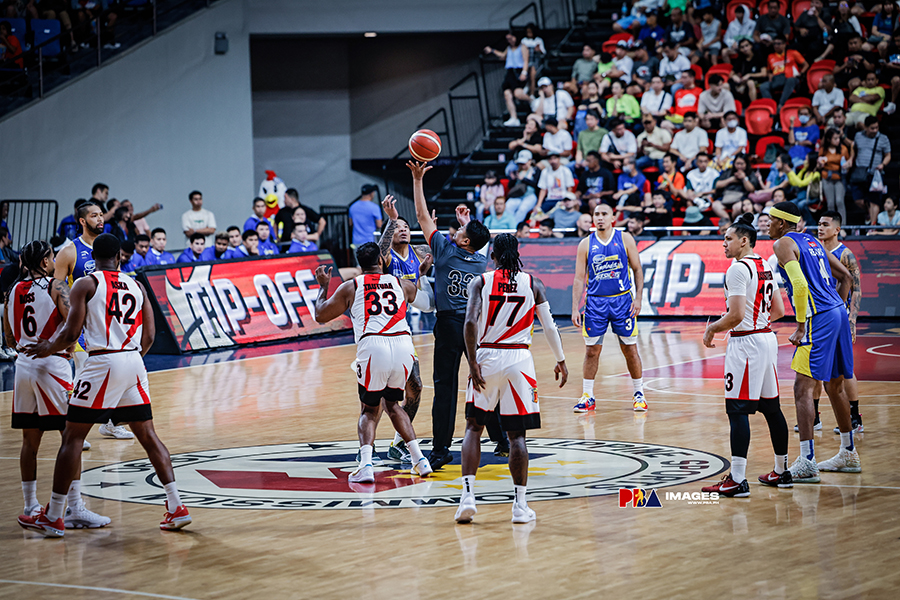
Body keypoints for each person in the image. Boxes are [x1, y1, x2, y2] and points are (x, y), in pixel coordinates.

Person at [19, 234, 191, 536]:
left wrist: (48, 347)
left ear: (92, 257)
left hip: (102, 361)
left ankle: (55, 514)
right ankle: (176, 506)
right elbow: (149, 336)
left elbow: (72, 331)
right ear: (120, 257)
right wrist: (130, 360)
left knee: (72, 437)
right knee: (148, 435)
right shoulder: (137, 285)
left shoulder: (86, 284)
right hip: (134, 361)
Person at [455, 233, 568, 524]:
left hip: (488, 356)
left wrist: (472, 360)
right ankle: (520, 505)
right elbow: (551, 328)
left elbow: (469, 323)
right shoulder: (534, 284)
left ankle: (467, 497)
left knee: (473, 427)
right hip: (519, 359)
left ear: (492, 254)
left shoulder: (481, 281)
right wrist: (561, 360)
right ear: (518, 253)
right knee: (516, 436)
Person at [5, 241, 111, 529]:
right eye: (51, 257)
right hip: (53, 364)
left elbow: (10, 340)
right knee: (71, 437)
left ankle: (30, 506)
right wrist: (52, 345)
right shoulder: (56, 287)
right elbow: (75, 323)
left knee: (30, 440)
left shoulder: (13, 291)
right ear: (44, 262)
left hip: (23, 366)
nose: (53, 261)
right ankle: (74, 507)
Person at [312, 242, 434, 481]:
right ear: (381, 260)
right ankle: (420, 460)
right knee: (393, 405)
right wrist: (421, 273)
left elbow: (320, 315)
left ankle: (366, 466)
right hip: (403, 346)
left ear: (360, 265)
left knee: (369, 409)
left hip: (374, 345)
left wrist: (323, 288)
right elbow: (424, 300)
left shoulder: (352, 286)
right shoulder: (400, 283)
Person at [407, 161, 495, 470]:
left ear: (464, 240)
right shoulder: (480, 260)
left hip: (448, 325)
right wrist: (469, 222)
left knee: (445, 388)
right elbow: (476, 237)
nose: (455, 230)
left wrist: (418, 180)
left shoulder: (444, 249)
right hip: (476, 328)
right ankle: (500, 438)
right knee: (482, 381)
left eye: (460, 230)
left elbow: (420, 216)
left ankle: (441, 449)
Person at [701, 213, 792, 497]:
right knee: (771, 408)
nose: (723, 244)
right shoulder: (765, 264)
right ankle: (781, 470)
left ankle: (737, 480)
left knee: (737, 410)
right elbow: (779, 311)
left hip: (747, 343)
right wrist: (757, 321)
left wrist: (711, 330)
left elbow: (736, 315)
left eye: (727, 239)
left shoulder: (738, 269)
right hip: (766, 338)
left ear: (744, 240)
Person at [768, 202, 859, 483]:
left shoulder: (783, 244)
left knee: (802, 388)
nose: (767, 225)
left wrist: (800, 325)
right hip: (837, 313)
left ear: (782, 223)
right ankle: (848, 452)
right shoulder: (813, 241)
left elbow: (799, 284)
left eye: (770, 220)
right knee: (835, 384)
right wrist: (838, 309)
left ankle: (807, 461)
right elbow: (844, 277)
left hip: (817, 316)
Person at [375, 197, 438, 462]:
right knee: (376, 397)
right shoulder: (386, 256)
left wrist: (430, 230)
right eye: (397, 227)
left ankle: (398, 442)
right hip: (379, 332)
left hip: (403, 332)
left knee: (416, 388)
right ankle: (364, 448)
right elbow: (378, 250)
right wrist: (391, 220)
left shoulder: (420, 252)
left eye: (405, 226)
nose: (403, 229)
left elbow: (428, 304)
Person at [572, 203, 647, 413]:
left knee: (630, 349)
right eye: (596, 214)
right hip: (595, 302)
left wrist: (638, 298)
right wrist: (574, 308)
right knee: (592, 351)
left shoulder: (625, 238)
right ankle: (588, 395)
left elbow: (638, 269)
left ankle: (639, 393)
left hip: (622, 301)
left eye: (604, 214)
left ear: (613, 217)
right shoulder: (585, 244)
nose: (600, 218)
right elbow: (579, 278)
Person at [813, 211, 863, 435]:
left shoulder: (846, 254)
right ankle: (814, 417)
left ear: (837, 230)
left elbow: (857, 290)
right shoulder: (814, 250)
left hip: (839, 316)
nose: (820, 228)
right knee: (813, 366)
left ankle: (855, 417)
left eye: (825, 224)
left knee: (845, 370)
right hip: (820, 317)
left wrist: (852, 320)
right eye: (819, 224)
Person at [485, 31, 531, 126]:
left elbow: (526, 61)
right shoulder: (509, 48)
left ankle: (532, 100)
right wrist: (492, 51)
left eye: (511, 38)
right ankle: (513, 117)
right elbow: (503, 55)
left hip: (518, 71)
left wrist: (524, 72)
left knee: (517, 93)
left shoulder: (522, 47)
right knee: (507, 94)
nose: (509, 41)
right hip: (510, 72)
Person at [851, 116, 891, 225]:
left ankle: (872, 226)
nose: (875, 130)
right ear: (866, 127)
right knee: (858, 200)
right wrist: (850, 159)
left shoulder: (883, 138)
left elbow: (888, 155)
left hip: (875, 175)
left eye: (877, 128)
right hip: (860, 174)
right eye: (872, 128)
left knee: (874, 201)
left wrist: (883, 164)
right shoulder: (858, 136)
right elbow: (853, 149)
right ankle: (868, 212)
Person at [760, 35, 808, 110]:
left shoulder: (793, 53)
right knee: (763, 86)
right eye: (774, 44)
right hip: (776, 79)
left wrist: (801, 73)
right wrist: (770, 76)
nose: (776, 46)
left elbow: (806, 65)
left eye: (778, 44)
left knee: (791, 80)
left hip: (790, 79)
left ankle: (781, 104)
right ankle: (771, 106)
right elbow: (769, 71)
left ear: (784, 44)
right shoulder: (770, 56)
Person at [817, 128, 851, 224]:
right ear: (829, 139)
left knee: (839, 201)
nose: (838, 140)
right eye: (835, 138)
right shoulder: (823, 150)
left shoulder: (843, 149)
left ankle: (842, 226)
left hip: (839, 177)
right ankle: (831, 226)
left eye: (838, 138)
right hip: (827, 177)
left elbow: (848, 163)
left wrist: (847, 166)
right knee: (830, 203)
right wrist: (820, 164)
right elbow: (818, 165)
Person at [729, 38, 767, 105]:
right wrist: (734, 77)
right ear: (740, 49)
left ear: (751, 46)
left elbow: (764, 73)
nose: (745, 49)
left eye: (747, 46)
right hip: (743, 81)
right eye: (742, 47)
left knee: (750, 82)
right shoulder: (740, 58)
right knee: (725, 86)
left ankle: (754, 105)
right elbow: (731, 74)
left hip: (757, 80)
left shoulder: (759, 56)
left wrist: (750, 75)